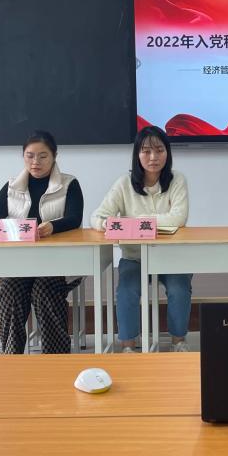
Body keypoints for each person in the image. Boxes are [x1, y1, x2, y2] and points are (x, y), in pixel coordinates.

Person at [0, 130, 83, 355]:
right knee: (11, 292)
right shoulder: (12, 187)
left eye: (43, 156)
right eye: (30, 156)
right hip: (19, 262)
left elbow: (75, 219)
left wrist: (53, 226)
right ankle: (11, 356)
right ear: (23, 156)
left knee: (45, 291)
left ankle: (56, 359)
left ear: (54, 156)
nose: (36, 162)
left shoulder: (69, 184)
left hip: (56, 262)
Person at [91, 126, 193, 353]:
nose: (153, 157)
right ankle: (128, 346)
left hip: (170, 256)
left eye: (159, 150)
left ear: (168, 153)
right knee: (126, 291)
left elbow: (179, 218)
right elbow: (97, 216)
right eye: (146, 151)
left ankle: (178, 341)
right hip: (135, 257)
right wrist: (108, 224)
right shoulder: (124, 183)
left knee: (179, 289)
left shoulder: (177, 180)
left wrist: (137, 222)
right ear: (137, 154)